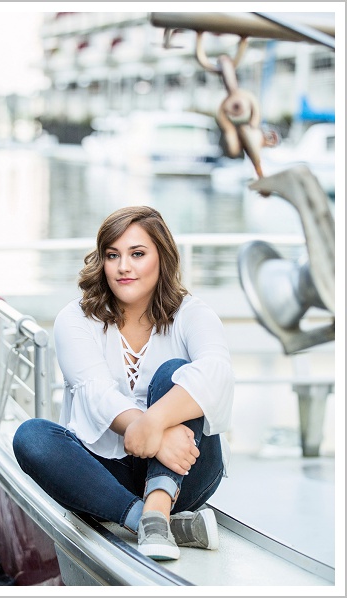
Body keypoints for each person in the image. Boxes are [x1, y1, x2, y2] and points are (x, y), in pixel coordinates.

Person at [12, 205, 234, 561]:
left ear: (162, 257)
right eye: (112, 255)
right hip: (104, 479)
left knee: (174, 371)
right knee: (31, 436)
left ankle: (159, 505)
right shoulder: (76, 318)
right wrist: (148, 431)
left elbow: (217, 373)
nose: (123, 267)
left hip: (186, 470)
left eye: (137, 254)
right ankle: (151, 522)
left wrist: (155, 422)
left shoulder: (193, 314)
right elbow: (96, 393)